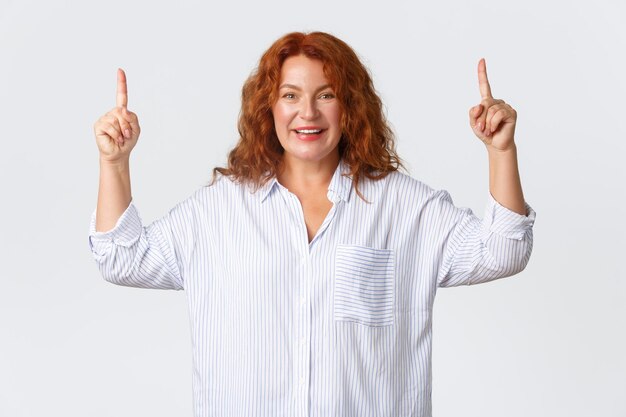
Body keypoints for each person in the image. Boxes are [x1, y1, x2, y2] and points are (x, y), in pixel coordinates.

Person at [89, 31, 535, 417]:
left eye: (326, 94)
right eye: (290, 95)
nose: (308, 112)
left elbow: (504, 250)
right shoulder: (217, 212)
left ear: (350, 105)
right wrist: (115, 163)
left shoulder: (405, 209)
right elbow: (121, 258)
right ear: (269, 107)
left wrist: (501, 152)